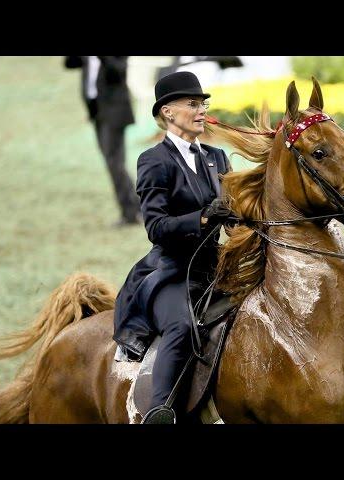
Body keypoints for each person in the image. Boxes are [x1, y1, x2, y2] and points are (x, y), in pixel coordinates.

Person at [111, 71, 233, 423]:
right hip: (172, 272)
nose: (201, 111)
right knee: (180, 326)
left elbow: (234, 213)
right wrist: (204, 218)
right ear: (168, 112)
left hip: (215, 269)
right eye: (193, 105)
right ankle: (159, 411)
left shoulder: (216, 157)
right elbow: (157, 227)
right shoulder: (154, 161)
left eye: (203, 104)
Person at [64, 56, 141, 226]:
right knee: (113, 162)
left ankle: (130, 212)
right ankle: (137, 207)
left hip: (115, 112)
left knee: (115, 163)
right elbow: (69, 63)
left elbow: (118, 71)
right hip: (97, 112)